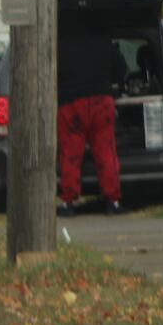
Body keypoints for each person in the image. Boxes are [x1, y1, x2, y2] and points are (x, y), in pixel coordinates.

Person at [55, 18, 123, 216]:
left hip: (71, 103)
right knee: (105, 152)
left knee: (70, 153)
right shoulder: (104, 42)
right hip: (101, 101)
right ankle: (112, 201)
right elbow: (121, 69)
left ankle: (69, 202)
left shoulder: (60, 45)